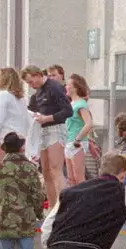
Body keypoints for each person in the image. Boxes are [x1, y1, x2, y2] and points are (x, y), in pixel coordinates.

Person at [24, 65, 74, 207]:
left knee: (55, 168)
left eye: (31, 81)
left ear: (38, 75)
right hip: (42, 131)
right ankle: (52, 207)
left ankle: (65, 206)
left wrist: (48, 118)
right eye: (28, 83)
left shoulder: (54, 87)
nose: (31, 85)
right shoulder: (38, 92)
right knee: (46, 171)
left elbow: (68, 111)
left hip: (56, 129)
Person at [0, 68, 34, 162]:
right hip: (21, 140)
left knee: (3, 171)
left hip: (6, 139)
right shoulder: (21, 99)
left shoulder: (3, 95)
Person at [64, 75, 96, 187]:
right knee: (71, 179)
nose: (66, 87)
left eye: (68, 85)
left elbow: (89, 124)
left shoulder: (81, 105)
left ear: (75, 88)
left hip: (77, 143)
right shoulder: (71, 104)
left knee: (79, 178)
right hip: (68, 142)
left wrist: (78, 139)